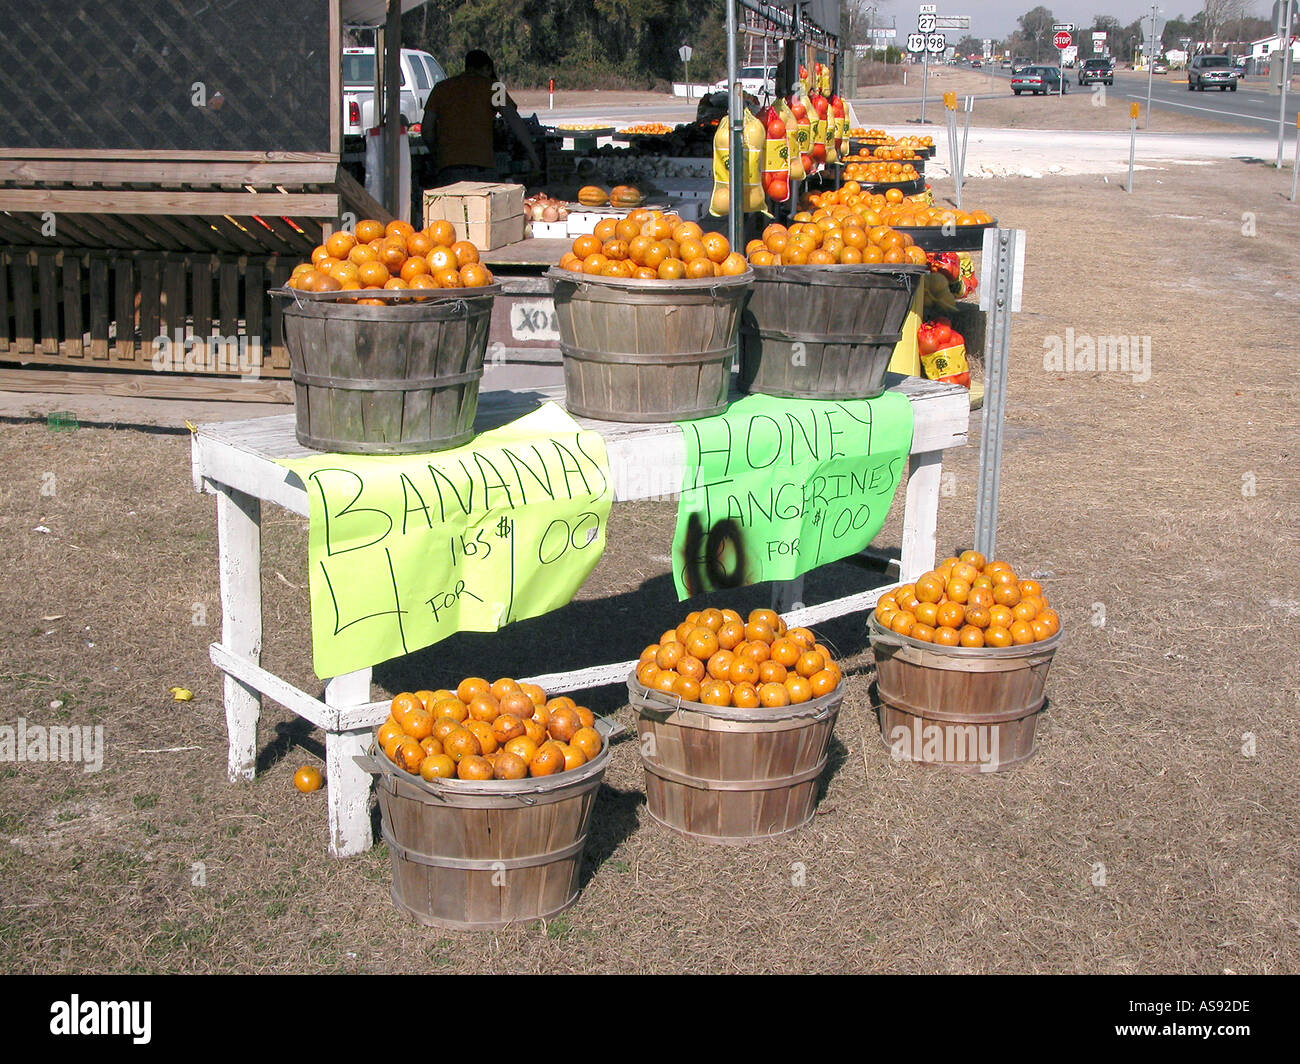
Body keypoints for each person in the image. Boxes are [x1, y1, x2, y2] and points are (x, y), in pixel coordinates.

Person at [422, 50, 541, 186]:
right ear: (487, 68)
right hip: (482, 167)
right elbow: (514, 120)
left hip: (448, 168)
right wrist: (532, 154)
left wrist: (438, 153)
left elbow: (426, 129)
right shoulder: (494, 88)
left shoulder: (441, 88)